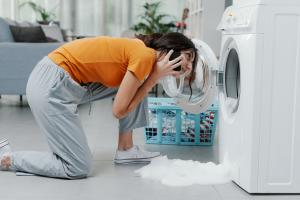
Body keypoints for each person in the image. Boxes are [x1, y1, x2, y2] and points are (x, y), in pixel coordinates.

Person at [0, 32, 198, 179]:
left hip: (63, 81)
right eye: (188, 57)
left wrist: (150, 79)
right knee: (77, 168)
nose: (189, 66)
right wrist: (152, 79)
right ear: (171, 49)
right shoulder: (145, 56)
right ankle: (8, 158)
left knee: (140, 85)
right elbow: (118, 111)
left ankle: (126, 150)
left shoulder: (141, 53)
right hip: (50, 85)